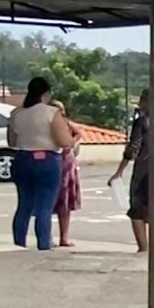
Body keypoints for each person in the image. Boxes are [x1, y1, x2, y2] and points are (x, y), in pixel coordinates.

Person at [5, 77, 75, 251]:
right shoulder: (51, 113)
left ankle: (19, 244)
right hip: (47, 159)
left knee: (24, 205)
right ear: (46, 94)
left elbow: (12, 141)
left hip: (22, 159)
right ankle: (43, 244)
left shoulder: (17, 113)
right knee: (44, 205)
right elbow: (64, 141)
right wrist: (72, 140)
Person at [110, 90, 151, 253]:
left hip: (144, 168)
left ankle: (143, 248)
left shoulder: (141, 122)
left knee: (137, 208)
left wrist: (119, 171)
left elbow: (133, 148)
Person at [52, 101, 83, 248]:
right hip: (56, 161)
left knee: (64, 202)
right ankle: (50, 237)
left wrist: (71, 143)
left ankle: (63, 237)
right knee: (52, 202)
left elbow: (78, 133)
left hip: (66, 162)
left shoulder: (64, 123)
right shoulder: (50, 124)